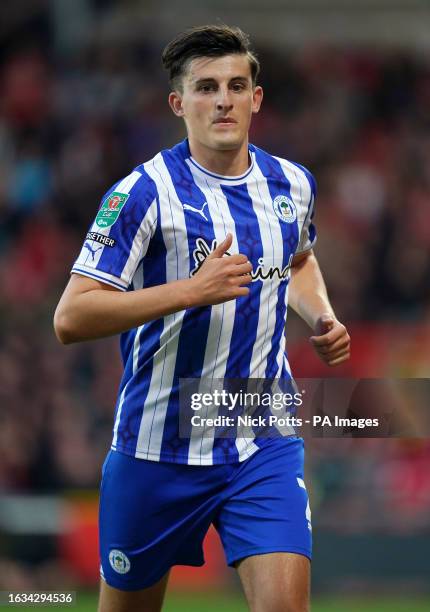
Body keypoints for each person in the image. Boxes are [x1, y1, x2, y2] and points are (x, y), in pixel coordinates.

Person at [54, 24, 350, 612]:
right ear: (179, 103)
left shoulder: (292, 182)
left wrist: (320, 315)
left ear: (256, 99)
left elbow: (299, 257)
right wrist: (191, 291)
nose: (223, 100)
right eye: (207, 87)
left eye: (237, 86)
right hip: (157, 447)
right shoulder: (141, 194)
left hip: (262, 435)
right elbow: (71, 316)